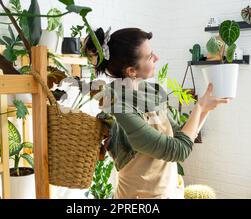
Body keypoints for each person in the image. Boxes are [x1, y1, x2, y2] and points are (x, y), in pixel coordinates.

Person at [83, 27, 230, 199]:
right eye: (149, 56)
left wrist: (204, 109)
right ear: (131, 71)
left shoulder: (151, 92)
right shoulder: (118, 106)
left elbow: (181, 134)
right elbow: (177, 150)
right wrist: (198, 107)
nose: (156, 58)